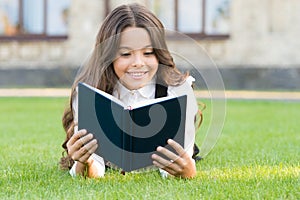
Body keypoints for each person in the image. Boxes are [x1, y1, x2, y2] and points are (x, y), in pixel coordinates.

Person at [60, 3, 199, 179]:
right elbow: (94, 168)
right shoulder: (89, 92)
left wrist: (187, 171)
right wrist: (84, 163)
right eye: (125, 54)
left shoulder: (178, 90)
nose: (138, 63)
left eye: (148, 53)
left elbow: (178, 164)